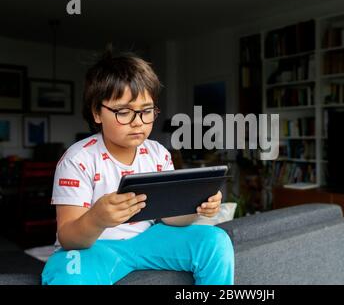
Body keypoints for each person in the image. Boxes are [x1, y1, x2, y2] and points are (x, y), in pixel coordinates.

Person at [41, 47, 235, 285]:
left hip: (149, 240)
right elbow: (69, 237)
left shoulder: (157, 153)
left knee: (214, 240)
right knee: (66, 273)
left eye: (146, 111)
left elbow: (171, 218)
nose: (138, 123)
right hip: (95, 247)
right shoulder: (77, 159)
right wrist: (97, 218)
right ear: (97, 113)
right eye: (123, 112)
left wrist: (196, 207)